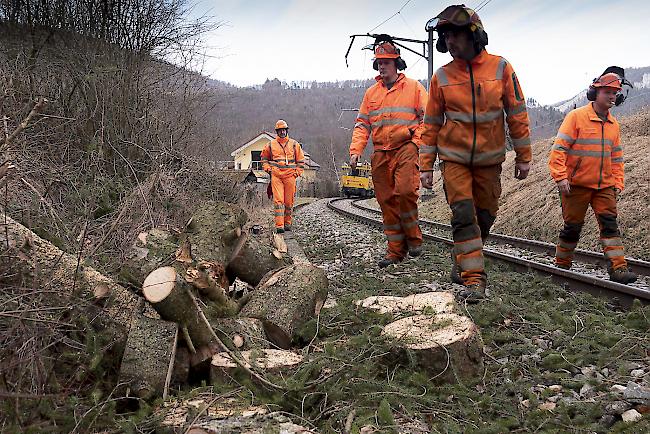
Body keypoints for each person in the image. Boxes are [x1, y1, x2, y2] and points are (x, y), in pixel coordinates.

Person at [419, 4, 532, 301]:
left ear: (474, 35)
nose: (450, 41)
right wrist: (425, 165)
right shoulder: (441, 77)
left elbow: (517, 113)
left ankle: (463, 260)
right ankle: (474, 279)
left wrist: (524, 155)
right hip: (453, 159)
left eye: (455, 34)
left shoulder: (501, 68)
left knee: (485, 215)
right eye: (446, 36)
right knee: (464, 215)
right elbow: (430, 124)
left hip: (490, 160)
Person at [548, 70, 637, 284]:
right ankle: (561, 267)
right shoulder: (576, 117)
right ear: (594, 93)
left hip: (605, 186)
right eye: (607, 92)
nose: (612, 96)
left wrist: (618, 183)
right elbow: (558, 150)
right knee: (572, 227)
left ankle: (618, 269)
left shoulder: (614, 125)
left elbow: (616, 158)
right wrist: (560, 177)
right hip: (575, 185)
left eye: (615, 92)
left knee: (610, 226)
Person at [349, 39, 428, 268]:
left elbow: (428, 119)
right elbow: (362, 125)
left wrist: (415, 142)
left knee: (405, 192)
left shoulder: (414, 88)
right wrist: (356, 151)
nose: (382, 66)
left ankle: (413, 238)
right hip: (381, 153)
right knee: (386, 201)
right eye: (379, 63)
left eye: (386, 62)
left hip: (405, 148)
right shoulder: (371, 94)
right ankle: (395, 250)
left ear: (396, 63)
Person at [261, 120, 305, 233]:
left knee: (289, 202)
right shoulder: (270, 145)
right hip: (277, 176)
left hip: (290, 176)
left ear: (286, 130)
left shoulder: (294, 144)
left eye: (284, 130)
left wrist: (297, 173)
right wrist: (268, 169)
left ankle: (287, 223)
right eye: (280, 130)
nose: (282, 132)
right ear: (277, 132)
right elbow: (264, 159)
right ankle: (279, 225)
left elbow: (301, 161)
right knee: (278, 201)